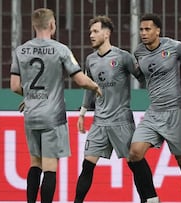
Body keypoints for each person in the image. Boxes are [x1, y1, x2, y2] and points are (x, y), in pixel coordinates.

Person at [10, 8, 102, 203]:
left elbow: (15, 86)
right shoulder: (60, 49)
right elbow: (80, 80)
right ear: (52, 25)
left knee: (35, 163)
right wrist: (96, 87)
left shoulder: (20, 50)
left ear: (34, 25)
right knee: (50, 167)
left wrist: (32, 96)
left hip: (31, 115)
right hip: (53, 116)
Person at [73, 15, 145, 203]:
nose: (91, 35)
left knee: (135, 166)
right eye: (90, 32)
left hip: (121, 122)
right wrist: (82, 113)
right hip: (99, 122)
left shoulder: (123, 57)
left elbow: (143, 78)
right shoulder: (90, 60)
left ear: (107, 34)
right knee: (87, 166)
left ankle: (149, 198)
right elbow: (90, 87)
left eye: (95, 31)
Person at [127, 13, 181, 203]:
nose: (143, 33)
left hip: (176, 112)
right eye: (141, 29)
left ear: (158, 30)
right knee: (134, 153)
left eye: (147, 29)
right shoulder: (139, 52)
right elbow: (141, 76)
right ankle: (150, 198)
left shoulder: (175, 47)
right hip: (154, 112)